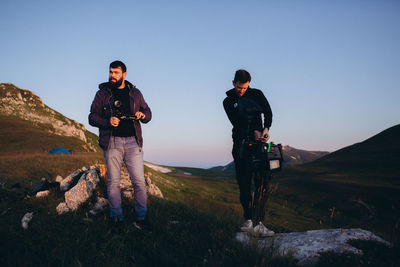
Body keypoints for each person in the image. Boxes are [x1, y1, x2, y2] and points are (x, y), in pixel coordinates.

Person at [89, 60, 152, 230]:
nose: (112, 76)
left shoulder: (136, 93)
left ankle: (141, 218)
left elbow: (148, 113)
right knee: (113, 182)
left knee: (139, 181)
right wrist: (107, 121)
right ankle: (116, 218)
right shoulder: (102, 94)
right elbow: (92, 117)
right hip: (112, 142)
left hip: (133, 142)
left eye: (116, 73)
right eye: (110, 72)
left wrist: (142, 115)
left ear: (124, 74)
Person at [223, 69, 275, 236]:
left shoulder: (257, 94)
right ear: (233, 83)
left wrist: (265, 129)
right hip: (241, 144)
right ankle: (248, 220)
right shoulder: (228, 101)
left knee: (262, 182)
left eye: (244, 88)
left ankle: (259, 222)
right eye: (239, 88)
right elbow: (237, 122)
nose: (241, 91)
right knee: (244, 182)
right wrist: (252, 132)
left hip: (259, 144)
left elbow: (268, 112)